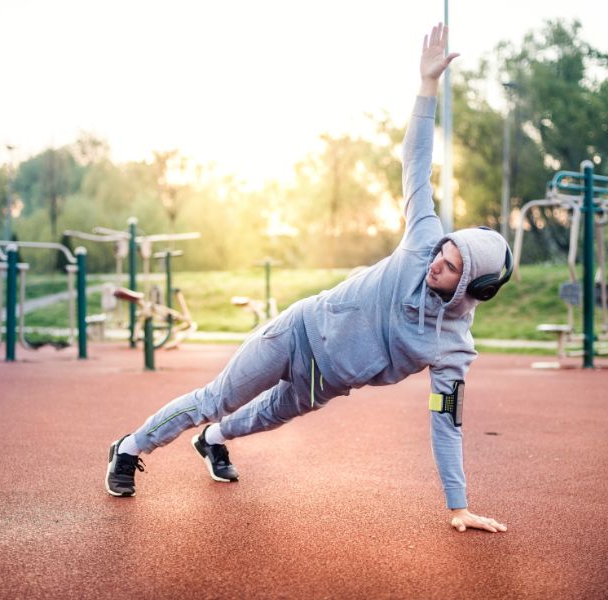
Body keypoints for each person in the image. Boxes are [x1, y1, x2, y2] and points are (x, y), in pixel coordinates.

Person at [106, 23, 510, 534]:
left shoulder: (451, 349)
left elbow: (446, 423)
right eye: (443, 253)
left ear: (474, 289)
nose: (437, 262)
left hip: (325, 382)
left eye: (450, 267)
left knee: (249, 421)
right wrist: (426, 86)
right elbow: (415, 161)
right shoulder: (422, 240)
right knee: (217, 399)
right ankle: (128, 448)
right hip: (297, 331)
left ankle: (212, 442)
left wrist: (458, 506)